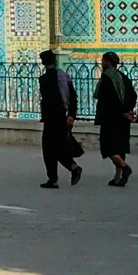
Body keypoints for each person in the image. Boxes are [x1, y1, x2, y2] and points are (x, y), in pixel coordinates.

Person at [35, 50, 83, 188]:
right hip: (63, 117)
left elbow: (48, 100)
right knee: (58, 147)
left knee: (49, 149)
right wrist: (71, 115)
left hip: (52, 119)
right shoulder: (64, 76)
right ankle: (69, 169)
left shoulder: (44, 79)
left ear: (43, 63)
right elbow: (72, 97)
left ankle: (59, 176)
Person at [94, 52, 137, 186]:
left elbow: (106, 99)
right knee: (120, 147)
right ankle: (117, 178)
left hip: (110, 118)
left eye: (103, 60)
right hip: (124, 119)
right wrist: (127, 110)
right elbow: (133, 95)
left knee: (108, 147)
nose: (102, 63)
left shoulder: (106, 78)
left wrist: (120, 111)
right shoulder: (123, 77)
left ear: (107, 62)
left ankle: (124, 167)